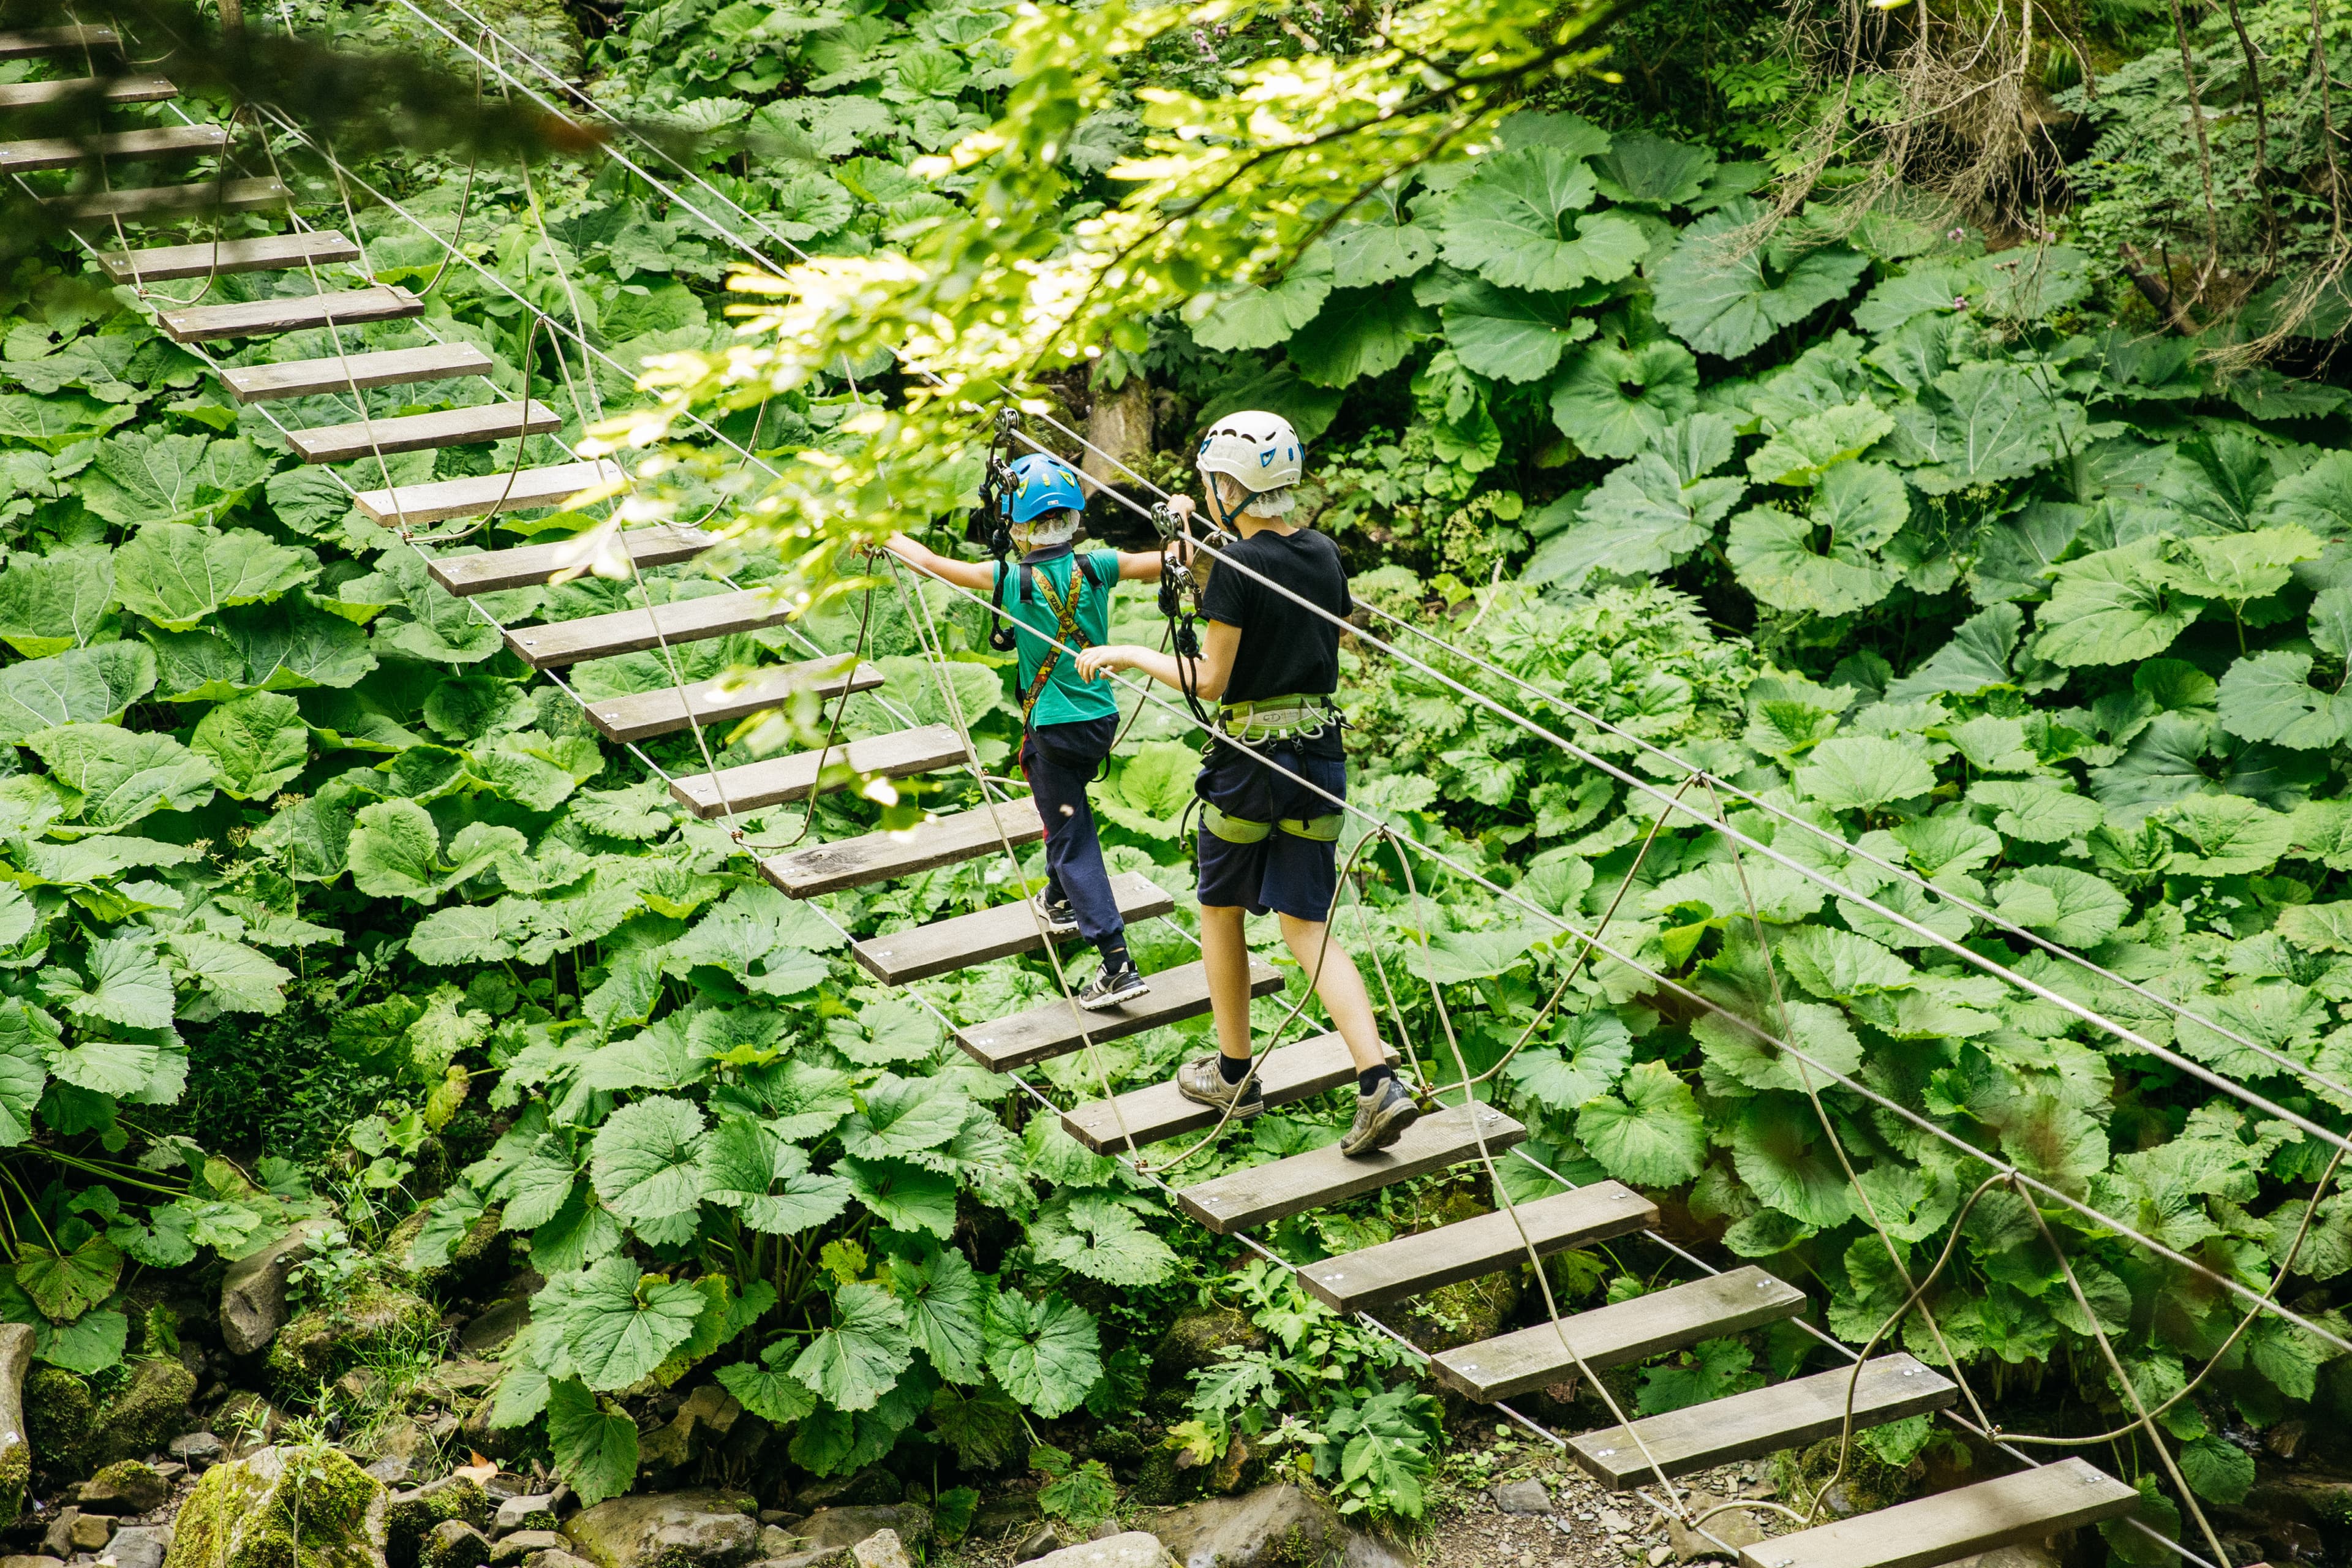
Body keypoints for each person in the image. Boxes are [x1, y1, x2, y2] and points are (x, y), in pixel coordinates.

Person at [1075, 413, 1417, 1158]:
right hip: (1320, 757)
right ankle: (1378, 1079)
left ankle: (1232, 1073)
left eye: (1212, 485)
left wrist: (1127, 651)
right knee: (1307, 926)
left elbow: (1212, 678)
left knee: (1220, 907)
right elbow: (1292, 605)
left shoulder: (1235, 569)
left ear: (1229, 488)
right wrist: (1199, 544)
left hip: (1250, 763)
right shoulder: (1322, 553)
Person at [880, 451, 1169, 1009]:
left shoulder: (1011, 579)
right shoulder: (1098, 566)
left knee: (1071, 838)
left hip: (1053, 732)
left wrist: (885, 536)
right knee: (1067, 813)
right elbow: (1165, 563)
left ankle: (1117, 963)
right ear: (1074, 520)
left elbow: (935, 564)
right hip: (1100, 723)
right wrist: (1179, 517)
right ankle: (1059, 900)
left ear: (1017, 529)